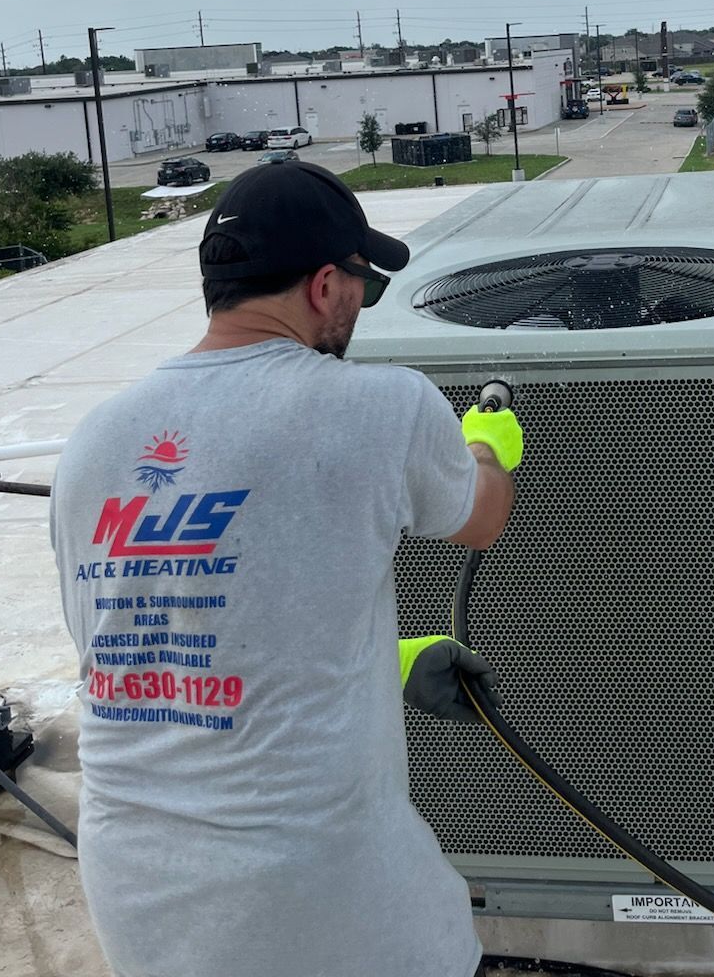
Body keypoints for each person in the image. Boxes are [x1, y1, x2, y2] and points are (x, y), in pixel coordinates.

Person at [50, 161, 522, 977]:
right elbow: (479, 521)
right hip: (315, 893)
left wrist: (381, 665)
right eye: (362, 290)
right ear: (324, 284)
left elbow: (141, 647)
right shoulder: (383, 406)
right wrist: (487, 447)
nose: (358, 311)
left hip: (137, 894)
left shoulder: (93, 441)